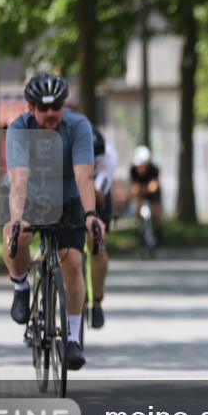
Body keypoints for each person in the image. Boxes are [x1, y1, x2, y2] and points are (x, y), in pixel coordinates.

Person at [2, 72, 107, 370]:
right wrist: (18, 219)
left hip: (69, 199)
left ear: (64, 105)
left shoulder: (78, 126)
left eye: (56, 107)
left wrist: (90, 215)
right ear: (30, 108)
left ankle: (73, 339)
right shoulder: (19, 129)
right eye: (43, 108)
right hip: (31, 196)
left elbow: (83, 175)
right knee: (15, 235)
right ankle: (21, 286)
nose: (50, 114)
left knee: (73, 263)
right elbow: (19, 180)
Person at [89, 127, 117, 329]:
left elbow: (99, 194)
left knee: (97, 243)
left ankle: (97, 300)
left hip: (97, 197)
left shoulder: (109, 156)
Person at [129, 145, 162, 240]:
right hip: (141, 194)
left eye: (142, 166)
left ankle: (158, 234)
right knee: (137, 209)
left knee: (156, 213)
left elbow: (154, 186)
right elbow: (134, 187)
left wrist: (143, 188)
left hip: (153, 195)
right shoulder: (133, 170)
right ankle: (138, 230)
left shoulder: (154, 170)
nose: (140, 168)